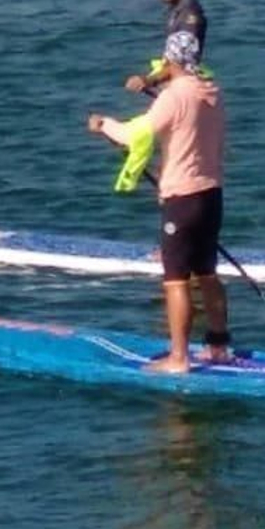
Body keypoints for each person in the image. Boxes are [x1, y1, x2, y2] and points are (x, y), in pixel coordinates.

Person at [87, 29, 228, 374]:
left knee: (176, 280)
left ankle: (179, 358)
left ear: (170, 59)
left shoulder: (174, 96)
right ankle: (219, 347)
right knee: (208, 273)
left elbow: (135, 134)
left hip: (181, 200)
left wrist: (104, 124)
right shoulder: (213, 92)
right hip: (211, 195)